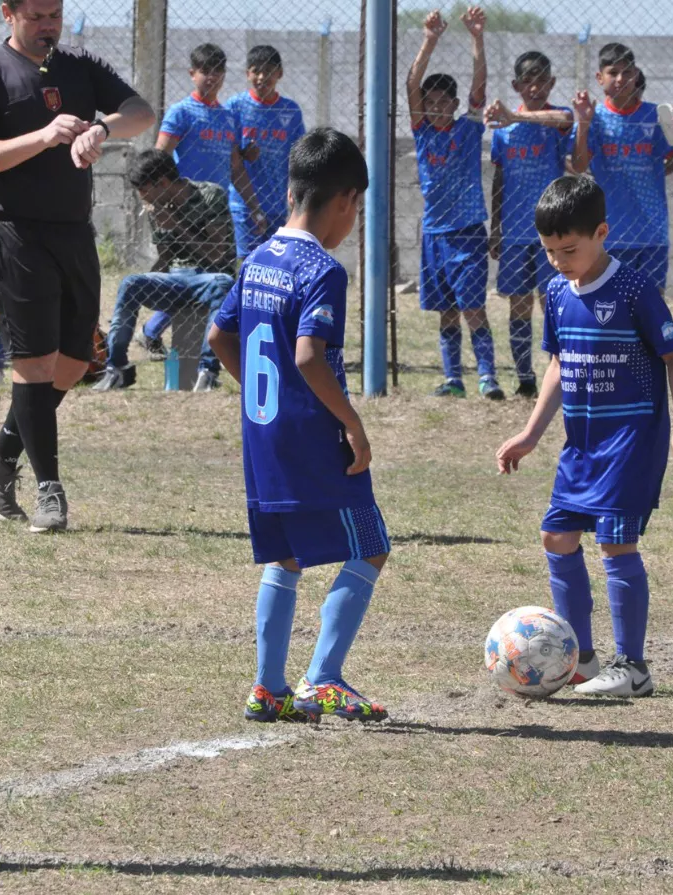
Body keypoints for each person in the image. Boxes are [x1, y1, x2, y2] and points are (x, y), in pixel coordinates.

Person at [208, 127, 391, 724]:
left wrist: (265, 394)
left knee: (283, 556)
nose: (353, 221)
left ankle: (268, 688)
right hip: (312, 438)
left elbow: (219, 335)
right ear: (343, 201)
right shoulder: (323, 269)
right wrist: (352, 421)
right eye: (355, 208)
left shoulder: (258, 257)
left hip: (262, 436)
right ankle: (323, 678)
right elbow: (310, 354)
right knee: (370, 544)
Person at [0, 0, 154, 533]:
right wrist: (44, 136)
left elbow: (143, 113)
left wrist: (102, 129)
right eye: (37, 15)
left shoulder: (80, 65)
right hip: (12, 232)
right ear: (7, 13)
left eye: (55, 14)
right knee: (35, 364)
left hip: (73, 233)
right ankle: (49, 491)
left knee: (74, 362)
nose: (49, 26)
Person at [496, 174, 673, 697]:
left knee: (614, 542)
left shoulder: (633, 290)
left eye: (569, 249)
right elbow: (561, 364)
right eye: (550, 252)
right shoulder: (558, 292)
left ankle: (633, 667)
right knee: (557, 537)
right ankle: (581, 660)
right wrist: (531, 433)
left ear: (601, 233)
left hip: (631, 438)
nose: (559, 261)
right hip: (580, 445)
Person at [143, 43, 267, 359]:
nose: (211, 78)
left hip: (216, 212)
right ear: (192, 74)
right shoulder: (181, 112)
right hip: (184, 208)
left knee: (213, 278)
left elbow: (237, 169)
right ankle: (160, 335)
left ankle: (158, 333)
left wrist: (254, 207)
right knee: (193, 278)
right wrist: (157, 202)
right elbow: (160, 156)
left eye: (217, 71)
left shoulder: (228, 118)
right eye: (205, 72)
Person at [408, 6, 504, 400]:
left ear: (453, 103)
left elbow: (479, 85)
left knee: (472, 308)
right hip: (434, 234)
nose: (435, 107)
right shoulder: (422, 132)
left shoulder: (467, 130)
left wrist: (476, 37)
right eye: (429, 102)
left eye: (442, 101)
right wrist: (429, 40)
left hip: (466, 233)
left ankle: (487, 376)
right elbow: (410, 83)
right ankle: (453, 378)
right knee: (446, 312)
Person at [95, 149, 235, 391]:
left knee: (222, 282)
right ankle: (116, 368)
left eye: (144, 190)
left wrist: (176, 225)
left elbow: (217, 255)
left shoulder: (211, 195)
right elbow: (167, 258)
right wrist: (146, 282)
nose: (143, 198)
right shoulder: (158, 208)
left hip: (210, 279)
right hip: (177, 281)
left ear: (162, 183)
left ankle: (207, 371)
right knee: (131, 283)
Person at [481, 51, 572, 398]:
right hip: (516, 233)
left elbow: (565, 117)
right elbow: (499, 180)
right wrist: (496, 227)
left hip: (553, 232)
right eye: (528, 80)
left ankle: (561, 372)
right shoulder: (504, 131)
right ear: (517, 85)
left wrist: (517, 117)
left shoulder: (554, 120)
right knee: (519, 305)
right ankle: (525, 377)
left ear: (551, 83)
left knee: (554, 303)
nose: (535, 86)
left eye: (541, 80)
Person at [569, 46, 673, 297]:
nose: (621, 79)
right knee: (611, 309)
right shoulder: (594, 117)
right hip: (610, 235)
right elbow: (578, 166)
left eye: (627, 72)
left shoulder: (654, 116)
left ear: (636, 75)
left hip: (652, 233)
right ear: (600, 78)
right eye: (613, 72)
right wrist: (583, 124)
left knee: (651, 307)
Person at [227, 44, 306, 259]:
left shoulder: (290, 111)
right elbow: (227, 154)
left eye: (269, 71)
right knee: (247, 261)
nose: (262, 77)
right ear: (247, 74)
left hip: (277, 203)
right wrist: (243, 154)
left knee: (274, 262)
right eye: (256, 71)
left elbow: (298, 156)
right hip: (243, 204)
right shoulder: (235, 107)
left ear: (279, 74)